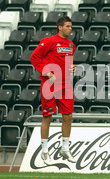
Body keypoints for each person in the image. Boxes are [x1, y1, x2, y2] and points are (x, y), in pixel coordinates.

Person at [30, 16, 77, 165]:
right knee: (48, 116)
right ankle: (45, 151)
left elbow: (67, 62)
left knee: (68, 116)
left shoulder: (71, 45)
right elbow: (34, 57)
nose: (70, 29)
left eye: (71, 26)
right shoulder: (49, 41)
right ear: (60, 27)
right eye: (68, 26)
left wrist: (72, 67)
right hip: (49, 84)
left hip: (66, 84)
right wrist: (47, 71)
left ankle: (65, 148)